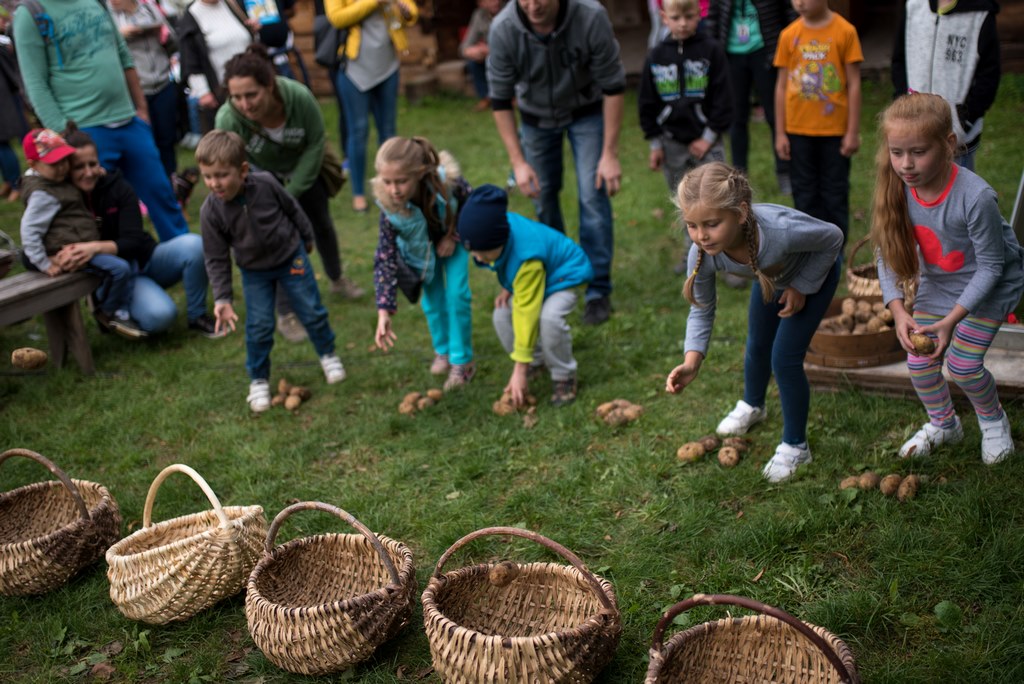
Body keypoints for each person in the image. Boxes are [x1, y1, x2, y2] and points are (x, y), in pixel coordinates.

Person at [665, 162, 843, 482]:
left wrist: (801, 286)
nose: (701, 235)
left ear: (741, 213)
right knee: (758, 343)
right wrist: (692, 362)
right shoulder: (702, 253)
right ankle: (753, 404)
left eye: (712, 224)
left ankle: (796, 446)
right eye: (692, 225)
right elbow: (701, 309)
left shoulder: (780, 232)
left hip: (814, 272)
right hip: (770, 279)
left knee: (784, 358)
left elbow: (833, 238)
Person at [873, 93, 1023, 465]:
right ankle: (944, 424)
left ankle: (993, 420)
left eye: (918, 152)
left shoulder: (975, 197)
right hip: (942, 282)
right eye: (897, 152)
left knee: (963, 365)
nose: (906, 164)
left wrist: (950, 321)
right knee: (919, 363)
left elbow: (991, 267)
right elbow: (886, 253)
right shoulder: (898, 189)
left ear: (948, 144)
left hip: (992, 285)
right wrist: (898, 310)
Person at [487, 0, 625, 326]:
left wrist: (609, 153)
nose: (533, 6)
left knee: (592, 194)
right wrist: (518, 162)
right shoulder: (503, 29)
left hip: (587, 112)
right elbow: (499, 100)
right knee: (543, 197)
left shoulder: (590, 16)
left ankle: (598, 289)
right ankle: (559, 279)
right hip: (535, 120)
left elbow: (614, 85)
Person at [217, 45, 364, 342]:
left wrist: (292, 192)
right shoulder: (228, 120)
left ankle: (337, 278)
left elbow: (316, 142)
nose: (244, 104)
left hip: (304, 170)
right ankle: (286, 314)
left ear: (269, 85)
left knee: (321, 224)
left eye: (251, 95)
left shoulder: (299, 97)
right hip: (260, 179)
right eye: (236, 97)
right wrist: (263, 197)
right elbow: (231, 165)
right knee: (277, 241)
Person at [12, 0, 191, 243]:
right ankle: (117, 263)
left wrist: (140, 109)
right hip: (84, 129)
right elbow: (35, 84)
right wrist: (66, 136)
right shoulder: (29, 14)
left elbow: (123, 55)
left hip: (129, 120)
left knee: (162, 194)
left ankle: (185, 255)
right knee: (96, 211)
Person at [196, 130, 347, 412]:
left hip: (291, 258)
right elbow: (216, 258)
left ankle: (328, 354)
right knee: (259, 325)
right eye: (208, 176)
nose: (214, 183)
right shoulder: (210, 212)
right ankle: (258, 379)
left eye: (222, 175)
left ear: (243, 170)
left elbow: (293, 209)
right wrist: (222, 297)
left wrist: (307, 238)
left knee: (311, 309)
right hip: (255, 272)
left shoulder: (266, 184)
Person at [62, 124, 220, 337]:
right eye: (79, 167)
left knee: (194, 245)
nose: (88, 172)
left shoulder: (117, 186)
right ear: (66, 169)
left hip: (144, 258)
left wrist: (95, 247)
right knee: (161, 316)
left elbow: (134, 240)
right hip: (119, 277)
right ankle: (121, 309)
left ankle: (197, 315)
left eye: (93, 163)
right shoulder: (60, 198)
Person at [458, 184, 594, 408]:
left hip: (564, 276)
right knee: (501, 314)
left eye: (483, 253)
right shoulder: (498, 228)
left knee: (549, 318)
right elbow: (510, 267)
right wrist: (509, 287)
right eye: (473, 253)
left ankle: (563, 376)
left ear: (499, 240)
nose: (479, 259)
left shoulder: (526, 257)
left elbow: (526, 311)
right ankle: (536, 362)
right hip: (538, 275)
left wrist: (518, 368)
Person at [18, 128, 145, 339]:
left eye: (64, 161)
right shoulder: (43, 194)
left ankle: (116, 308)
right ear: (34, 165)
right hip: (70, 251)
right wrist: (45, 262)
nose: (61, 168)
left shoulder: (55, 182)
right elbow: (29, 231)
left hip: (83, 245)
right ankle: (108, 312)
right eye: (54, 164)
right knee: (121, 269)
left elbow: (135, 239)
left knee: (127, 265)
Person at [372, 137, 476, 390]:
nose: (394, 190)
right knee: (432, 303)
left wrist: (453, 235)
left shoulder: (447, 182)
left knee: (457, 295)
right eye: (387, 182)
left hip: (452, 243)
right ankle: (443, 350)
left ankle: (462, 361)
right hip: (421, 255)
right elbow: (385, 256)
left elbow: (472, 205)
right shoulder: (389, 208)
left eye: (401, 181)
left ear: (419, 173)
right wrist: (384, 310)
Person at [772, 0, 861, 241]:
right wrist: (780, 133)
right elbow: (781, 86)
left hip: (834, 133)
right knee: (804, 193)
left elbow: (854, 84)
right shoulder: (788, 35)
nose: (799, 2)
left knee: (835, 192)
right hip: (797, 131)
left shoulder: (845, 32)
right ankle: (809, 247)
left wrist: (852, 131)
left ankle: (836, 249)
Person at [639, 0, 733, 226]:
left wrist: (708, 137)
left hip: (708, 142)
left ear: (699, 14)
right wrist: (655, 144)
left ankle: (724, 246)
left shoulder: (712, 51)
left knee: (717, 199)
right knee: (684, 203)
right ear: (664, 18)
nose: (682, 23)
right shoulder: (656, 56)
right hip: (671, 143)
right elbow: (647, 101)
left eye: (689, 17)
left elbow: (724, 97)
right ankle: (691, 246)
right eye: (675, 18)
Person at [325, 0, 419, 214]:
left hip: (387, 64)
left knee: (388, 130)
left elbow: (412, 11)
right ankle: (358, 193)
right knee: (358, 130)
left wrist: (405, 11)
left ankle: (391, 189)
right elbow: (337, 18)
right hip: (354, 67)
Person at [891, 0, 1001, 172]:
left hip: (956, 139)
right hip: (912, 132)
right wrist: (902, 102)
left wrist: (964, 121)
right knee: (913, 188)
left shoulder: (980, 14)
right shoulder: (914, 6)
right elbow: (899, 60)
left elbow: (989, 74)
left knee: (957, 189)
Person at [705, 0, 793, 194]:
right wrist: (713, 54)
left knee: (775, 115)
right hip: (732, 55)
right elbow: (713, 18)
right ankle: (738, 178)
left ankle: (785, 171)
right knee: (736, 119)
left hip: (766, 50)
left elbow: (788, 11)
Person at [107, 0, 180, 179]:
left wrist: (162, 34)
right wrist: (121, 35)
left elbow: (173, 42)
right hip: (135, 91)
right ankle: (149, 183)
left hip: (163, 83)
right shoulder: (109, 17)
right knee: (145, 143)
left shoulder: (148, 8)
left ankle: (171, 182)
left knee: (167, 139)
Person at [177, 0, 256, 134]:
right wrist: (203, 92)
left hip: (253, 82)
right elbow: (190, 60)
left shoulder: (233, 4)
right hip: (223, 92)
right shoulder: (191, 15)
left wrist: (254, 30)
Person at [0, 6, 27, 203]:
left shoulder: (3, 43)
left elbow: (11, 74)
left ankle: (17, 183)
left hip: (4, 100)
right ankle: (9, 181)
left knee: (3, 143)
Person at [459, 0, 502, 112]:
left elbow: (516, 44)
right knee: (474, 62)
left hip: (510, 55)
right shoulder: (479, 15)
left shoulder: (509, 11)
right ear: (481, 3)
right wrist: (472, 51)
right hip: (490, 56)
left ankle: (512, 96)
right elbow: (465, 46)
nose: (495, 2)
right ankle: (486, 97)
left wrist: (490, 50)